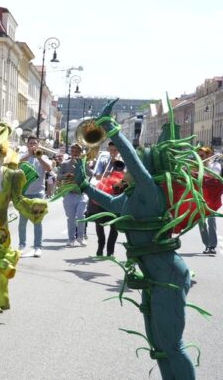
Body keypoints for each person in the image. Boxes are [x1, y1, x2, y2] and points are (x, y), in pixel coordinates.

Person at [74, 99, 199, 380]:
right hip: (153, 279)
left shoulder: (150, 193)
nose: (125, 169)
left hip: (167, 275)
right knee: (160, 347)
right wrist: (84, 185)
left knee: (173, 346)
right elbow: (105, 200)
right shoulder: (130, 200)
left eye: (131, 167)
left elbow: (133, 162)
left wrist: (112, 129)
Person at [0, 123, 46, 314]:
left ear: (3, 153)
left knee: (0, 263)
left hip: (2, 228)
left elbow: (19, 200)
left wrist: (36, 206)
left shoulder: (13, 175)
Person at [17, 136, 53, 257]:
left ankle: (37, 247)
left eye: (35, 143)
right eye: (31, 143)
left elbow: (49, 169)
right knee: (23, 222)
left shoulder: (43, 156)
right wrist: (28, 155)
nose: (33, 145)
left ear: (38, 145)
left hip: (39, 193)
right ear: (27, 145)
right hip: (25, 193)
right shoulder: (23, 156)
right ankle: (22, 245)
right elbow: (16, 166)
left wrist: (39, 157)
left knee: (37, 221)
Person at [91, 159, 126, 257]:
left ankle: (108, 251)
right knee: (102, 226)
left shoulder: (125, 178)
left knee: (112, 228)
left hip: (113, 205)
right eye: (117, 167)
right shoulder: (106, 177)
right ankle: (103, 249)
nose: (118, 169)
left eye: (120, 167)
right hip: (105, 204)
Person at [59, 143, 90, 247]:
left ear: (80, 153)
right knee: (71, 218)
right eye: (73, 151)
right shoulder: (65, 163)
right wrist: (65, 175)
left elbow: (91, 174)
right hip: (69, 193)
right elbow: (58, 176)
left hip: (81, 193)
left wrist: (84, 166)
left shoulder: (84, 163)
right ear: (71, 152)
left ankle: (80, 237)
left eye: (77, 152)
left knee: (81, 216)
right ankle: (71, 239)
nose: (75, 153)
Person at [197, 146, 221, 255]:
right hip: (199, 196)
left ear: (208, 155)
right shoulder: (197, 165)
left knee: (211, 221)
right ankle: (206, 245)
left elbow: (214, 176)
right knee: (201, 222)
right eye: (199, 156)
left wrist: (203, 167)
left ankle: (212, 245)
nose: (200, 158)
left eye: (202, 156)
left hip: (211, 197)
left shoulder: (215, 165)